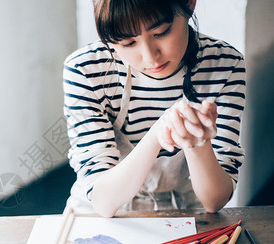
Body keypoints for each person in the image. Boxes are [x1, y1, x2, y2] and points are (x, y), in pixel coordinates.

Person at [63, 0, 245, 217]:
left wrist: (197, 141)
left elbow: (214, 201)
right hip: (98, 214)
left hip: (184, 211)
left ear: (190, 5)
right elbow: (104, 202)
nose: (150, 56)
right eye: (128, 43)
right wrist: (159, 133)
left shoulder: (223, 65)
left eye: (161, 32)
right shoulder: (86, 70)